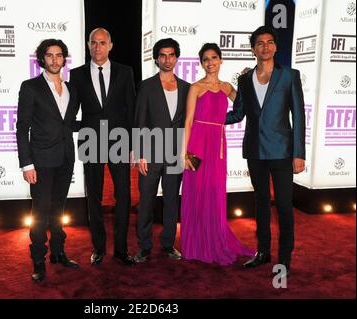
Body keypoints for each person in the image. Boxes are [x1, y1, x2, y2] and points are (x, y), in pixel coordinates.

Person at [225, 26, 306, 277]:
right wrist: (207, 117)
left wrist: (299, 153)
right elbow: (238, 113)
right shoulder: (245, 79)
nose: (265, 47)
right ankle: (262, 252)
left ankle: (284, 259)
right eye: (260, 43)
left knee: (283, 205)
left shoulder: (289, 75)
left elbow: (299, 115)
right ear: (253, 48)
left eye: (270, 42)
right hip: (255, 150)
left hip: (282, 150)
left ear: (276, 47)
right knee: (260, 203)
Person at [181, 43, 255, 266]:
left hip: (217, 144)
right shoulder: (195, 88)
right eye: (205, 59)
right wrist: (184, 153)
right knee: (197, 191)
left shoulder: (226, 87)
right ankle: (196, 243)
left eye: (214, 57)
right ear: (201, 63)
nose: (210, 62)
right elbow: (188, 121)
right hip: (198, 142)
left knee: (214, 191)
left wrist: (245, 81)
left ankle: (214, 237)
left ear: (221, 60)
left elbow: (241, 108)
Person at [70, 28, 136, 266]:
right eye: (93, 43)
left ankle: (121, 249)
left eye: (102, 42)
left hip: (121, 140)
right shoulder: (76, 75)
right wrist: (79, 127)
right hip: (90, 141)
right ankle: (98, 248)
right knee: (94, 197)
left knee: (124, 197)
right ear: (88, 45)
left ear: (110, 45)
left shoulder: (125, 72)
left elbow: (132, 109)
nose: (98, 47)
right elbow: (71, 109)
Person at [16, 39, 80, 283]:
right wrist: (27, 164)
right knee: (40, 213)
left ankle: (59, 252)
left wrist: (97, 125)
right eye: (50, 55)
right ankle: (39, 261)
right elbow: (22, 128)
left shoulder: (71, 88)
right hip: (41, 161)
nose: (55, 60)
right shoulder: (31, 87)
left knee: (59, 210)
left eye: (59, 55)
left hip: (65, 158)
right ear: (42, 59)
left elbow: (68, 123)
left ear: (65, 59)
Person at [133, 38, 190, 263]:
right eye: (163, 55)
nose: (167, 59)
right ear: (157, 58)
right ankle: (144, 246)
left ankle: (168, 244)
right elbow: (139, 121)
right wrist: (139, 152)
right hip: (151, 153)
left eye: (171, 55)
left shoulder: (187, 87)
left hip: (176, 154)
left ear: (177, 57)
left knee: (171, 201)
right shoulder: (146, 86)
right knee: (146, 200)